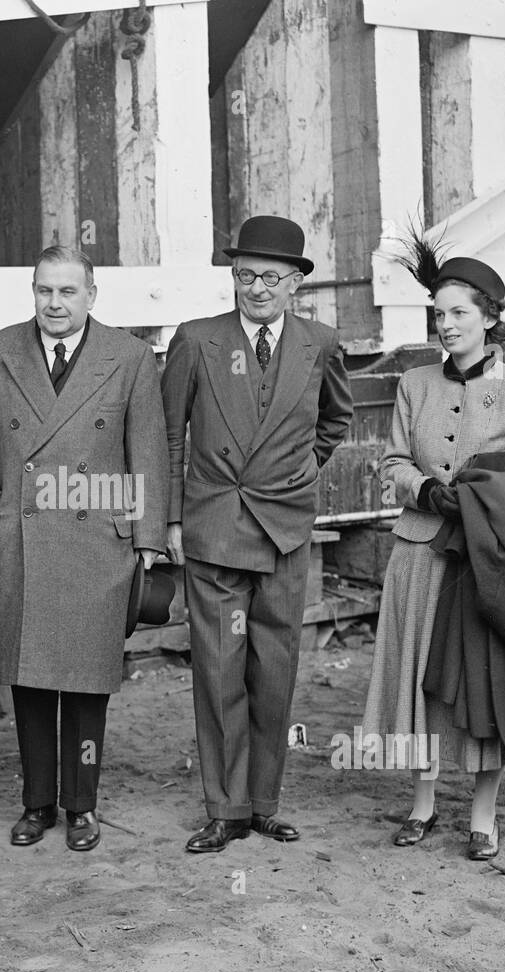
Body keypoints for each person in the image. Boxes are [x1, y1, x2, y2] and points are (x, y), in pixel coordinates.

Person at [359, 241, 505, 860]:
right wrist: (423, 488)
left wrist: (486, 497)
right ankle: (422, 804)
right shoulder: (414, 383)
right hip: (419, 554)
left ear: (490, 317)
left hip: (486, 564)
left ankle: (482, 817)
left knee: (482, 682)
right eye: (438, 315)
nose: (446, 326)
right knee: (420, 679)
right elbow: (391, 461)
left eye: (458, 315)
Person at [0, 245, 167, 852]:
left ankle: (82, 806)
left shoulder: (128, 355)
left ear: (91, 296)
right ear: (33, 292)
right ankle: (36, 804)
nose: (54, 303)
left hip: (97, 541)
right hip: (21, 538)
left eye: (67, 292)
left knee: (84, 684)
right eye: (44, 291)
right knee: (26, 680)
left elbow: (147, 451)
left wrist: (147, 537)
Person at [161, 216, 354, 854]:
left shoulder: (320, 344)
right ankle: (226, 808)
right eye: (245, 275)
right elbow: (168, 436)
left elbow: (335, 419)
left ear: (296, 282)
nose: (257, 289)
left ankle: (265, 803)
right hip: (214, 527)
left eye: (272, 277)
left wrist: (298, 472)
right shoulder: (196, 340)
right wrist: (169, 520)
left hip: (285, 527)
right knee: (218, 671)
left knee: (275, 670)